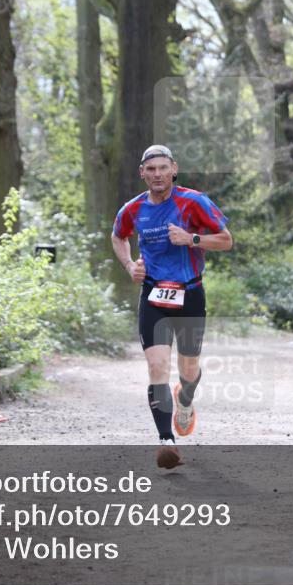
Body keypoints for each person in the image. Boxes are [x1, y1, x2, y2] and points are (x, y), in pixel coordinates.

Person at [110, 144, 233, 466]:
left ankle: (186, 398)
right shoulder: (133, 209)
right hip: (153, 297)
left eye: (163, 168)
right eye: (150, 169)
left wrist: (192, 239)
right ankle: (167, 441)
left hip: (190, 294)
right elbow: (117, 236)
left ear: (174, 169)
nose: (157, 174)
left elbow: (226, 240)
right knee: (156, 367)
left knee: (188, 369)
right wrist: (128, 266)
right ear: (142, 173)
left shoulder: (193, 202)